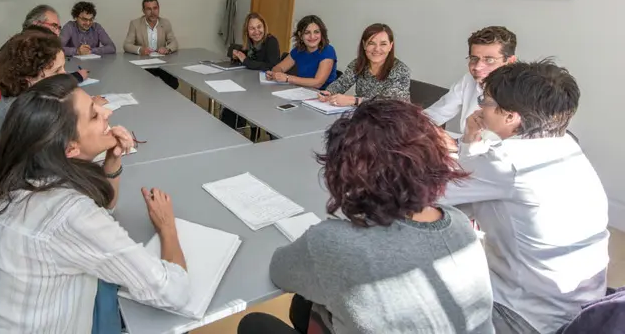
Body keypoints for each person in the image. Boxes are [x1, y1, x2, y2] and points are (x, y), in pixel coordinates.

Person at [238, 100, 494, 334]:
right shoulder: (458, 222)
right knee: (303, 305)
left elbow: (280, 271)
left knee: (254, 324)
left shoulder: (332, 240)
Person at [0, 74, 190, 333]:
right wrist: (168, 228)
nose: (106, 112)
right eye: (94, 115)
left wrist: (113, 161)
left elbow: (104, 210)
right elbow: (173, 292)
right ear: (70, 149)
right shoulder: (69, 214)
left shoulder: (13, 180)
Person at [440, 60, 610, 334]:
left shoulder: (507, 162)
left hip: (527, 315)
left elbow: (436, 197)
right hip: (579, 304)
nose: (480, 106)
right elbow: (472, 192)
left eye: (486, 100)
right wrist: (472, 138)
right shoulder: (566, 145)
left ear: (511, 116)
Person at [0, 31, 68, 184]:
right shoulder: (25, 114)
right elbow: (54, 165)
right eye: (57, 71)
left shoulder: (17, 100)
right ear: (28, 79)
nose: (65, 75)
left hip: (0, 191)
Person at [0, 5, 88, 132]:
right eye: (54, 26)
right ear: (37, 24)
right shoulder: (23, 53)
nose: (58, 32)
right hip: (3, 134)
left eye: (59, 28)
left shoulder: (23, 46)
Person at [425, 26, 517, 137]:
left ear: (510, 61)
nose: (478, 67)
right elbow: (436, 114)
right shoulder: (468, 80)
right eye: (474, 58)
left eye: (489, 60)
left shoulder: (523, 93)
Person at [317, 23, 410, 107]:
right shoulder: (357, 64)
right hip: (365, 115)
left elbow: (390, 103)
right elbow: (341, 83)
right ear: (364, 45)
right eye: (371, 43)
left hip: (393, 120)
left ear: (390, 46)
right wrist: (329, 92)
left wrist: (354, 100)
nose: (377, 49)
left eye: (383, 44)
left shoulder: (401, 70)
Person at [221, 13, 281, 136]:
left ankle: (251, 131)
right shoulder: (250, 44)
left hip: (266, 90)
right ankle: (231, 134)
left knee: (241, 100)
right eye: (252, 28)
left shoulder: (271, 41)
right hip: (250, 83)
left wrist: (246, 61)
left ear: (264, 27)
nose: (256, 32)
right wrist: (235, 54)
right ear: (247, 31)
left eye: (259, 27)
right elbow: (232, 49)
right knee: (230, 102)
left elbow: (270, 66)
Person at [123, 0, 180, 89]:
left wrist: (167, 49)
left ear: (159, 9)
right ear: (143, 11)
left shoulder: (165, 23)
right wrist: (140, 50)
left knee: (173, 83)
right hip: (144, 65)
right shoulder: (135, 23)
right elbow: (126, 45)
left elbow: (174, 42)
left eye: (155, 8)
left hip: (161, 64)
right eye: (149, 9)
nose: (153, 12)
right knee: (146, 85)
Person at [266, 15, 337, 90]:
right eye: (307, 33)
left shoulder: (328, 51)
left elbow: (317, 83)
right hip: (303, 91)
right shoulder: (298, 50)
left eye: (316, 32)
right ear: (300, 35)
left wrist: (287, 78)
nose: (312, 36)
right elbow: (279, 67)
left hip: (323, 95)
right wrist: (276, 74)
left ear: (321, 34)